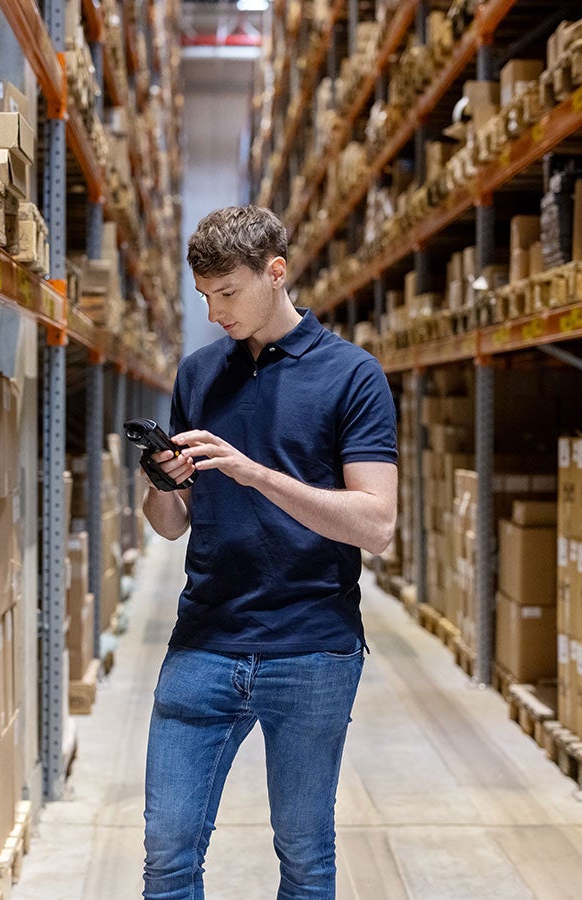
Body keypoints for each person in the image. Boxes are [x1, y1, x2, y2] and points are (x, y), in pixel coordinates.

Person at [139, 205, 398, 900]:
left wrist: (253, 473)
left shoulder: (353, 375)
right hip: (205, 639)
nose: (215, 312)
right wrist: (163, 487)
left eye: (228, 294)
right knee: (167, 856)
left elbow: (376, 524)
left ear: (275, 274)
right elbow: (171, 525)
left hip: (312, 647)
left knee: (306, 857)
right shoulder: (199, 375)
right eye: (204, 298)